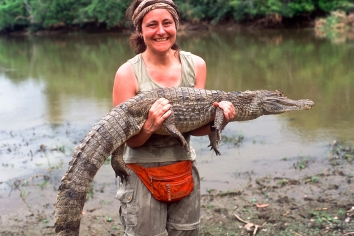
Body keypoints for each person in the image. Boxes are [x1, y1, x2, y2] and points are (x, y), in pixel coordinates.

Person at [112, 0, 236, 235]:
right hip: (141, 172)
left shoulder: (196, 64)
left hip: (183, 167)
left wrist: (221, 121)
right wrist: (149, 127)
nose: (160, 31)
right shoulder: (127, 73)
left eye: (167, 23)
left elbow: (195, 128)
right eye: (152, 25)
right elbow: (126, 140)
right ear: (140, 30)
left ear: (176, 25)